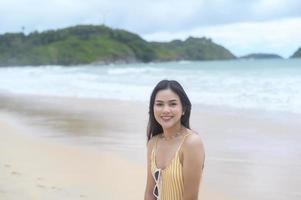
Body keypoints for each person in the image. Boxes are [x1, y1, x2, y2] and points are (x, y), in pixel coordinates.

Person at [144, 80, 205, 200]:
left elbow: (190, 198)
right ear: (153, 108)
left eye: (172, 104)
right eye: (159, 104)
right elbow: (149, 194)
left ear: (183, 109)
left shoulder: (191, 143)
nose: (165, 110)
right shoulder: (153, 143)